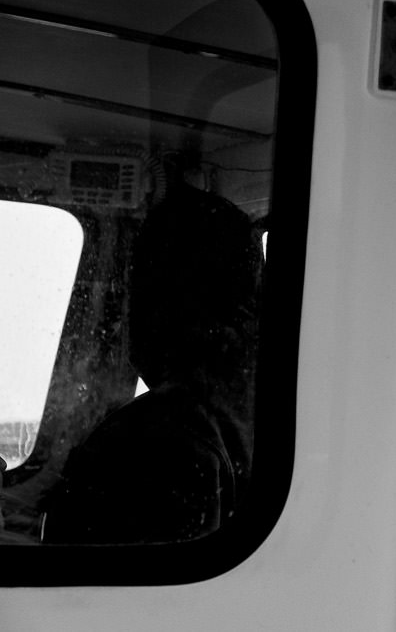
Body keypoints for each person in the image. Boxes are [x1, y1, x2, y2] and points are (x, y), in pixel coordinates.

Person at [40, 187, 261, 544]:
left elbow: (80, 591)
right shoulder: (273, 418)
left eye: (132, 291)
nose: (121, 319)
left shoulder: (149, 440)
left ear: (160, 306)